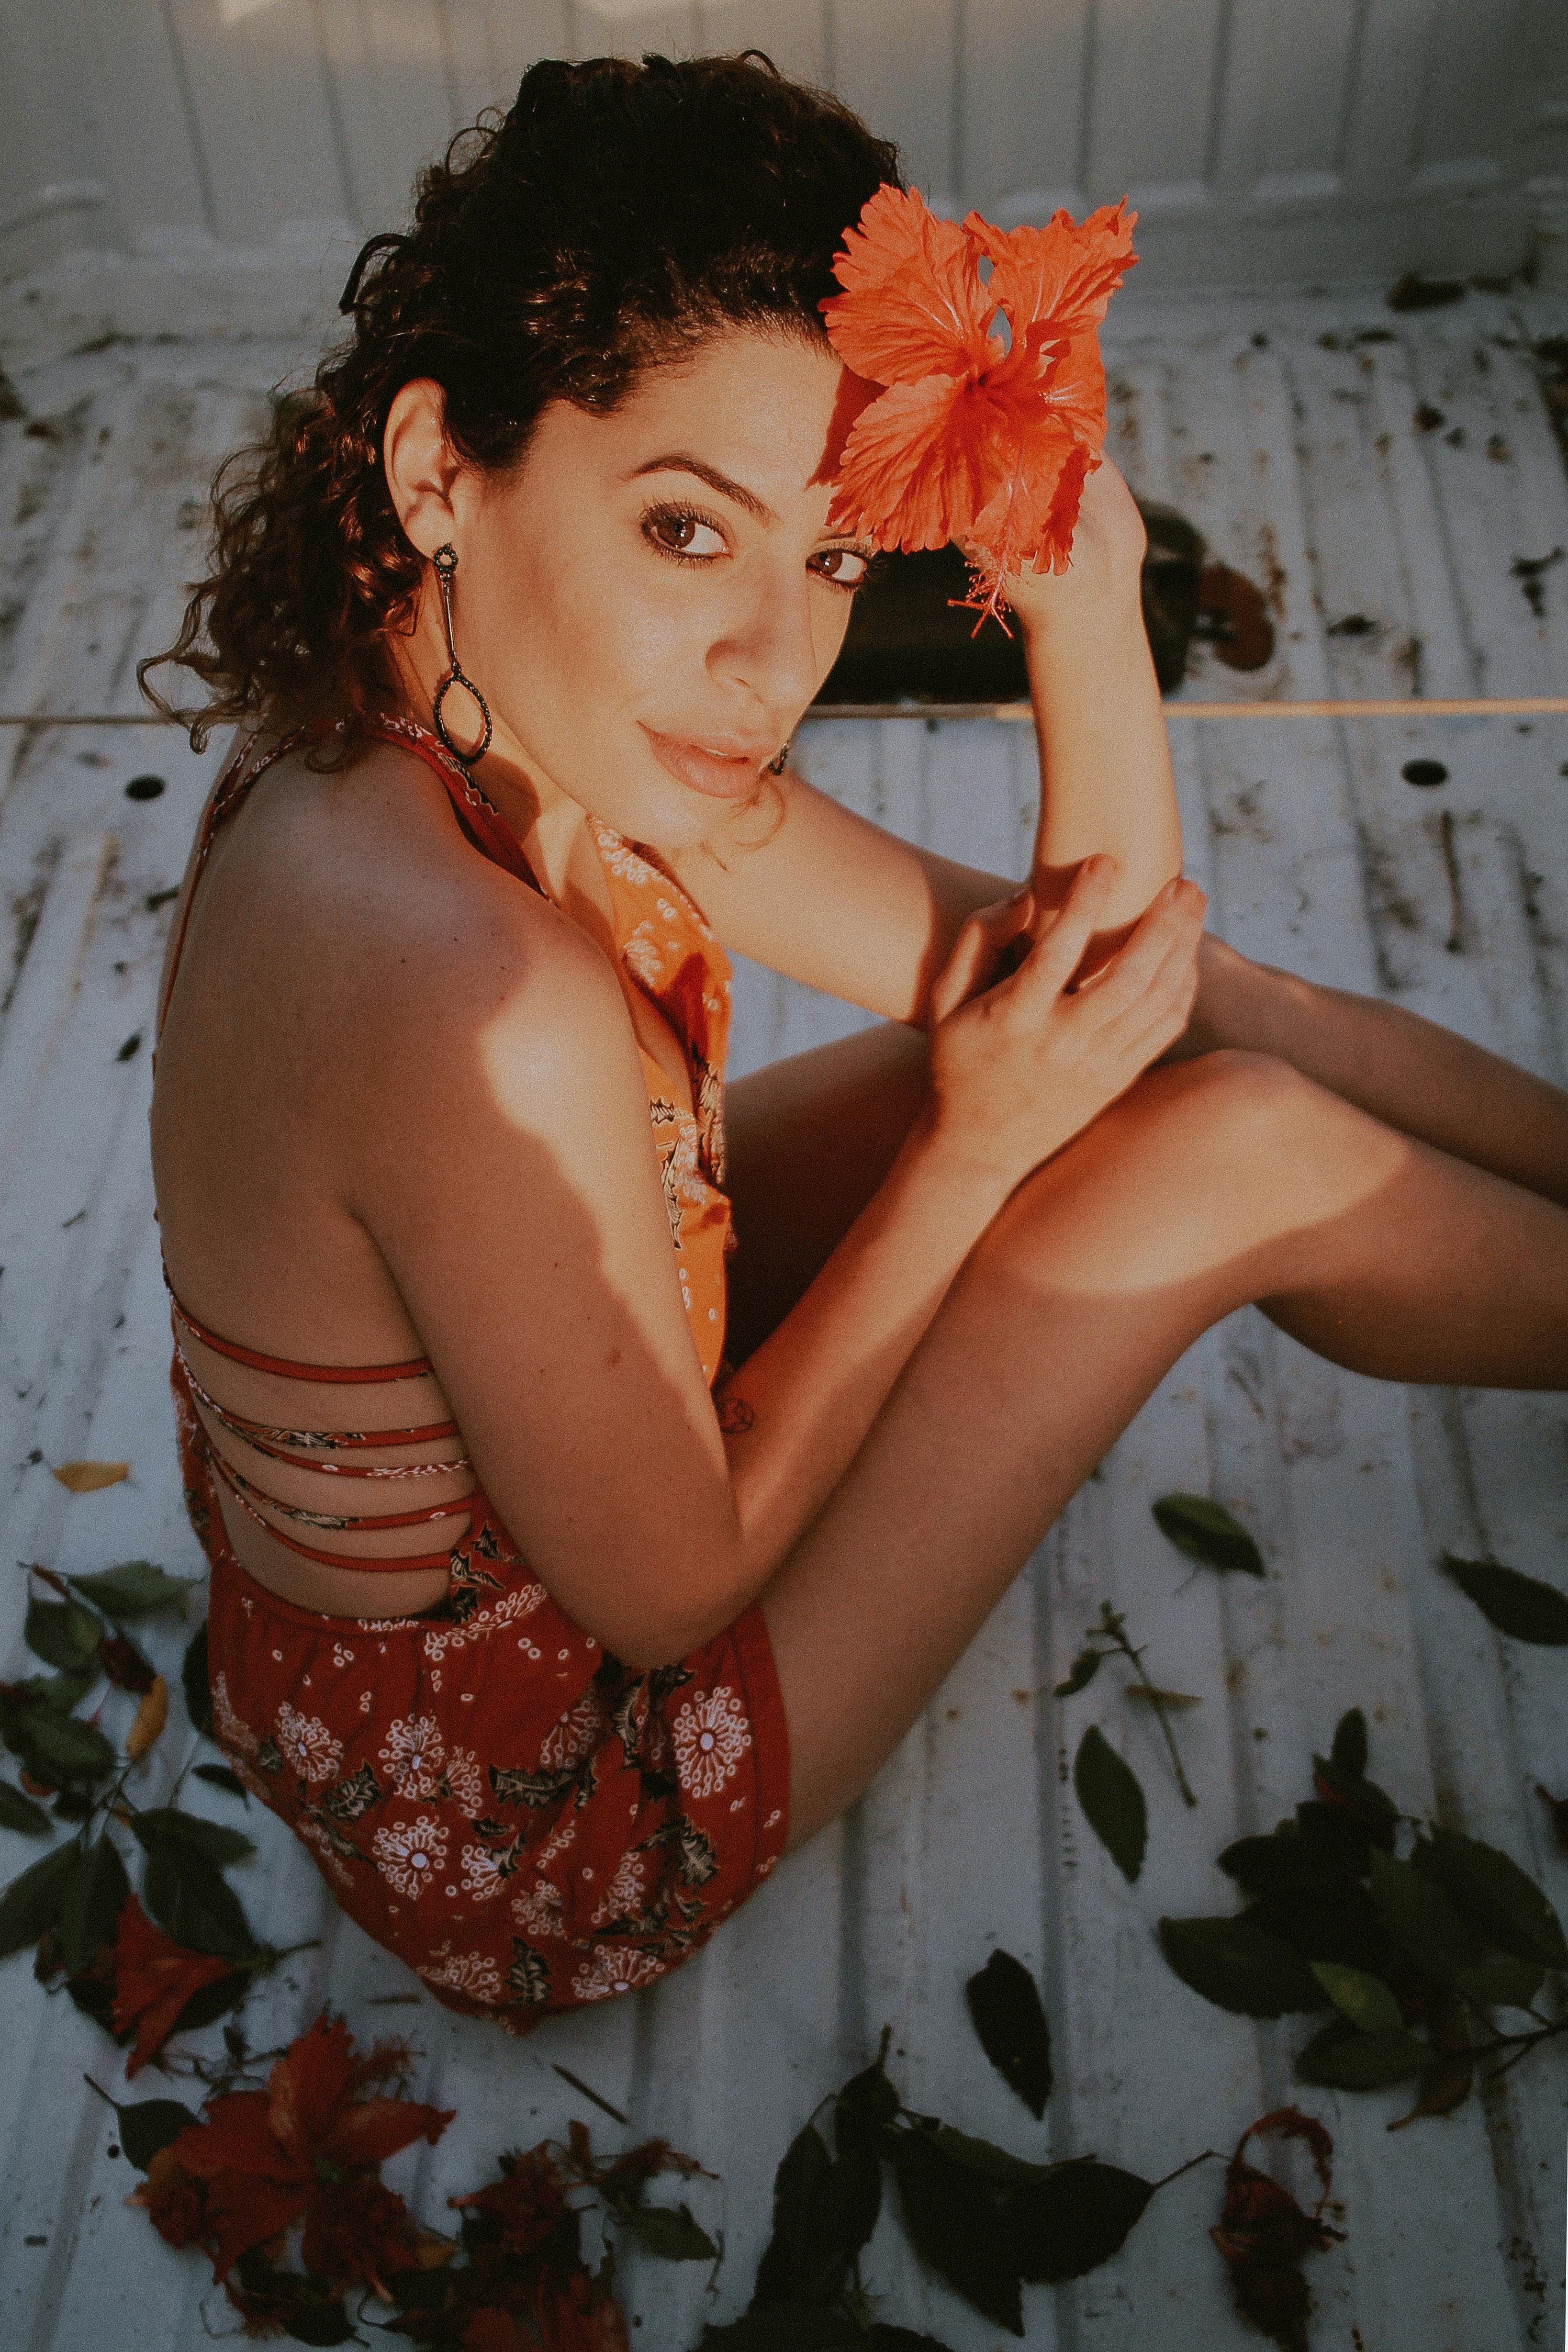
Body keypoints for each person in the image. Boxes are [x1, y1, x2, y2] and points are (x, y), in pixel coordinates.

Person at [144, 50, 1568, 2030]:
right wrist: (974, 1153)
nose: (776, 659)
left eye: (827, 557)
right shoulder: (465, 984)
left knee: (1165, 1023)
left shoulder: (472, 706)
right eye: (684, 529)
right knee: (1242, 1141)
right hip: (533, 1808)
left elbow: (1091, 970)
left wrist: (1082, 601)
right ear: (435, 468)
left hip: (496, 1513)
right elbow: (670, 1586)